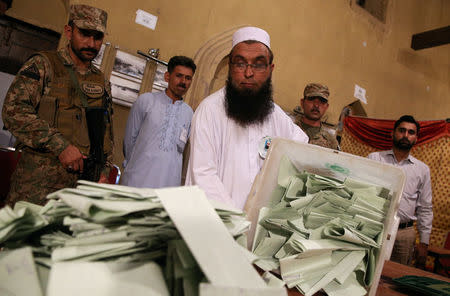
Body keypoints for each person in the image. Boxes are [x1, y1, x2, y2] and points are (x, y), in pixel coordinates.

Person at [2, 4, 113, 206]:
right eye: (85, 34)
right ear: (69, 31)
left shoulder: (101, 81)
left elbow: (106, 134)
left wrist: (103, 173)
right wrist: (60, 146)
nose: (91, 43)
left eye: (97, 37)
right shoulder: (43, 65)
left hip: (77, 193)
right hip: (37, 186)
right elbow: (14, 111)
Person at [186, 26, 308, 210]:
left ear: (270, 69)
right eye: (240, 63)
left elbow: (301, 149)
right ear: (230, 67)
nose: (248, 73)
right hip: (219, 224)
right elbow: (203, 175)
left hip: (260, 229)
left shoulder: (276, 116)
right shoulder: (209, 111)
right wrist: (238, 221)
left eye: (258, 64)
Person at [121, 56, 196, 188]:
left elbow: (180, 151)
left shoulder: (190, 113)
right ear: (167, 76)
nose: (183, 82)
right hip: (138, 180)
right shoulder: (146, 101)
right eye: (179, 76)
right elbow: (129, 142)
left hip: (169, 185)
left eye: (188, 78)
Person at [368, 115, 433, 268]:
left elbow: (425, 208)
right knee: (367, 272)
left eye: (411, 132)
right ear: (393, 133)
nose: (405, 135)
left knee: (396, 278)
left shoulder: (422, 170)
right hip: (375, 226)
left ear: (416, 138)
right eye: (402, 130)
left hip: (404, 234)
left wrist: (424, 242)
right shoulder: (375, 159)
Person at [296, 83, 339, 150]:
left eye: (322, 102)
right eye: (311, 99)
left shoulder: (331, 142)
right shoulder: (290, 129)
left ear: (326, 107)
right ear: (302, 102)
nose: (316, 105)